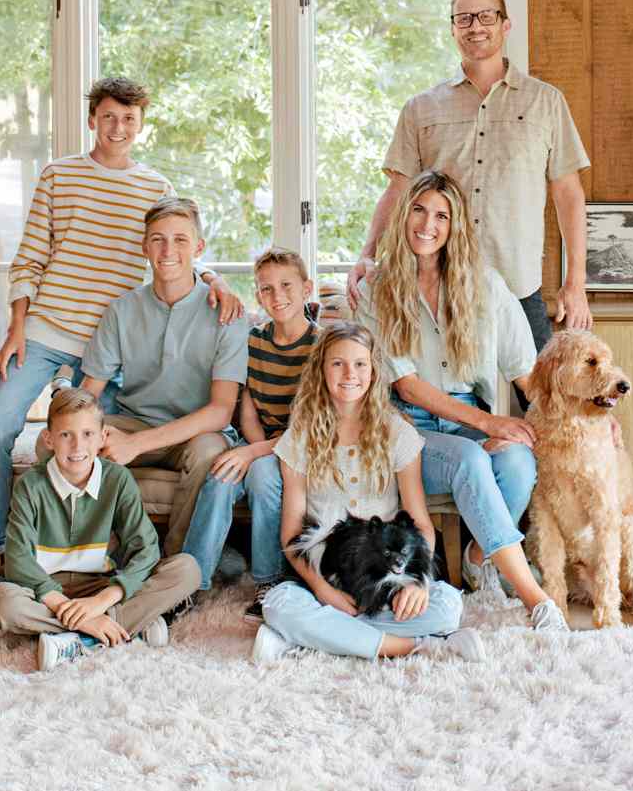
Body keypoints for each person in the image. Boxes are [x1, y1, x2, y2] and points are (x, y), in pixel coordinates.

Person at [0, 78, 245, 605]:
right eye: (109, 116)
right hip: (46, 332)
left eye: (129, 119)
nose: (119, 127)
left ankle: (112, 562)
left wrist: (218, 281)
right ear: (93, 119)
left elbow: (173, 244)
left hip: (105, 348)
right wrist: (16, 329)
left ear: (141, 124)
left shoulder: (154, 186)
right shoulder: (59, 175)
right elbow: (28, 258)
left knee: (87, 447)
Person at [354, 169, 568, 632]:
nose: (427, 224)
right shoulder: (375, 289)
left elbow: (526, 375)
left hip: (469, 416)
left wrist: (578, 421)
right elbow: (407, 386)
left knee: (518, 462)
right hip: (406, 426)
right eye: (418, 209)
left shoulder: (486, 285)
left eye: (441, 215)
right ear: (402, 215)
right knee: (472, 457)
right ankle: (536, 601)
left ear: (455, 227)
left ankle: (477, 557)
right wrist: (490, 425)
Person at [346, 0, 592, 350]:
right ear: (452, 29)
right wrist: (367, 254)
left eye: (486, 16)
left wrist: (576, 283)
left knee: (543, 400)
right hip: (438, 284)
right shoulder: (421, 108)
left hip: (518, 283)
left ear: (505, 25)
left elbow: (568, 194)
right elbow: (398, 190)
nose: (475, 26)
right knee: (441, 399)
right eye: (464, 19)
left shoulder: (546, 102)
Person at [254, 323, 482, 663]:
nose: (350, 374)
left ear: (374, 371)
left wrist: (418, 584)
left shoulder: (397, 432)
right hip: (325, 574)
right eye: (337, 364)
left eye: (360, 364)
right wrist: (321, 589)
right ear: (321, 370)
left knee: (447, 605)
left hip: (385, 578)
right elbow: (291, 535)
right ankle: (418, 645)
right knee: (279, 605)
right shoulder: (300, 436)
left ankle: (307, 639)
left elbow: (419, 522)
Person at [71, 196, 248, 557]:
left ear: (198, 247)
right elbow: (88, 394)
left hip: (197, 431)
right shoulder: (121, 311)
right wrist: (74, 431)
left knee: (211, 453)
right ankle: (99, 560)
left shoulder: (227, 314)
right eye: (158, 239)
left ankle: (176, 565)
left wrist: (137, 445)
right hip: (134, 420)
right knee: (73, 445)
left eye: (180, 240)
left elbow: (220, 411)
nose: (168, 250)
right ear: (144, 247)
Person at [0, 387, 200, 672]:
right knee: (1, 602)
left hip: (101, 585)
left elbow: (146, 549)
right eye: (66, 435)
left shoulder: (118, 480)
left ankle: (73, 639)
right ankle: (113, 627)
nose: (77, 447)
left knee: (187, 569)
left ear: (102, 438)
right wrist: (75, 611)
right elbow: (17, 559)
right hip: (46, 593)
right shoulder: (30, 485)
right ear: (48, 439)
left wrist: (102, 601)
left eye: (87, 434)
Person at [181, 248, 318, 621]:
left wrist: (255, 453)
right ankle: (190, 580)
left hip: (303, 446)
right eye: (267, 289)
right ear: (258, 295)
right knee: (221, 473)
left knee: (260, 475)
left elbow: (313, 428)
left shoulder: (320, 347)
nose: (277, 296)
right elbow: (249, 407)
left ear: (306, 289)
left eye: (286, 286)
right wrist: (250, 447)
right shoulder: (255, 341)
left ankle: (269, 582)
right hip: (260, 442)